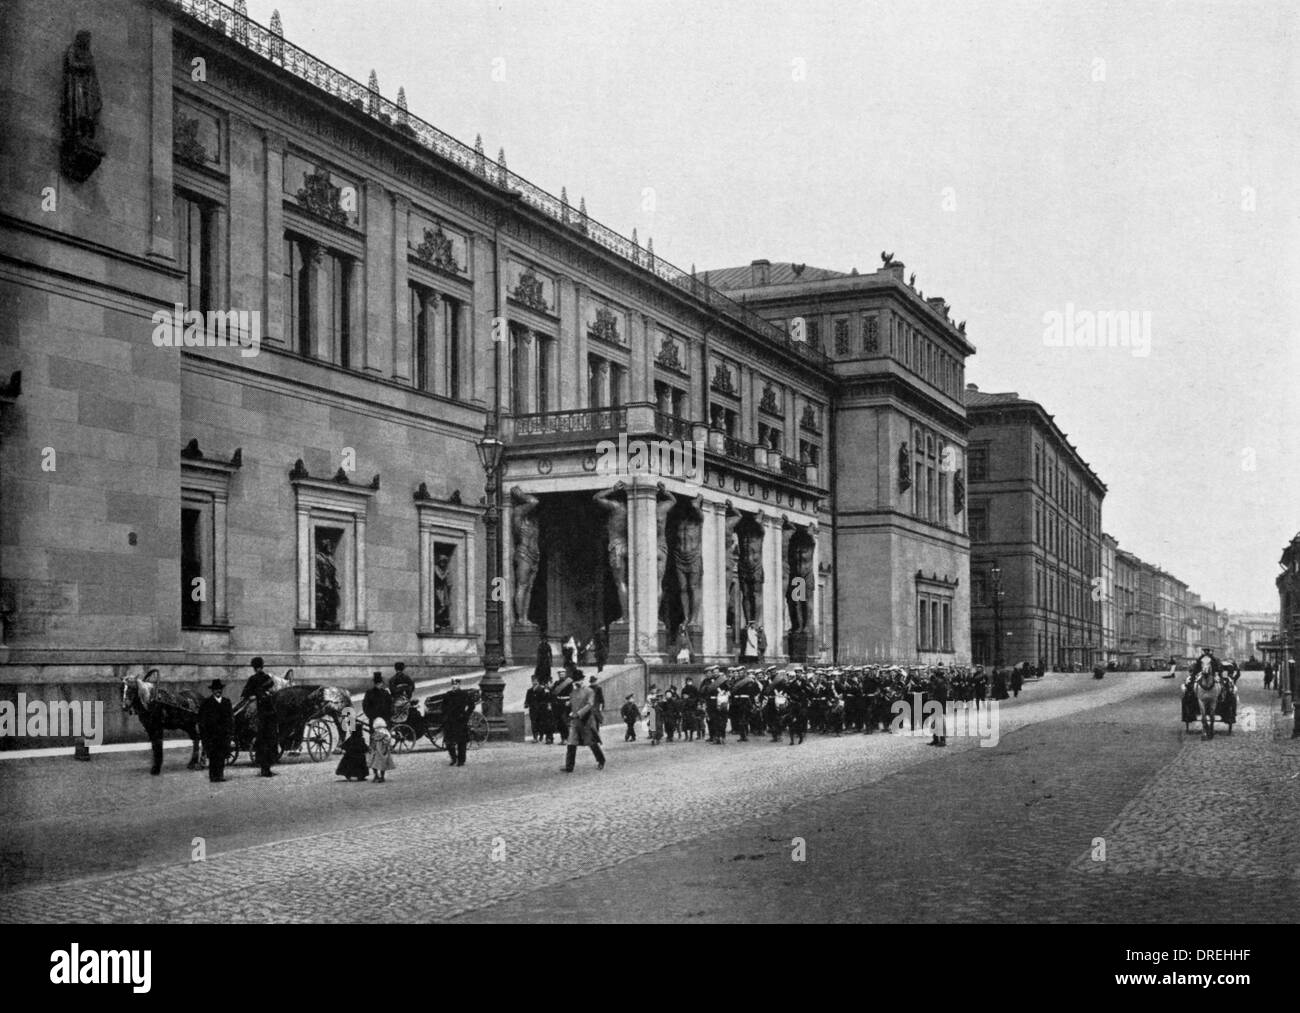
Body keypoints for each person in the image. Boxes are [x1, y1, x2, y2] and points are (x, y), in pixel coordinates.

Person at [561, 670, 606, 772]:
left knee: (591, 742)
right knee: (571, 742)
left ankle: (601, 760)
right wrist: (569, 707)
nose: (577, 683)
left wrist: (579, 713)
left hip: (586, 720)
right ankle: (569, 766)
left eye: (579, 680)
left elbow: (590, 704)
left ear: (582, 680)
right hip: (575, 721)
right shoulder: (572, 692)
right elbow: (572, 704)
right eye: (575, 681)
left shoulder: (589, 691)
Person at [241, 657, 278, 777]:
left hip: (260, 715)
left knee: (262, 742)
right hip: (270, 714)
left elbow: (245, 694)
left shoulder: (252, 679)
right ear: (262, 666)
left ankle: (264, 768)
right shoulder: (268, 678)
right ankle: (267, 768)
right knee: (270, 740)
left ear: (253, 667)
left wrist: (253, 696)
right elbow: (273, 691)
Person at [197, 679, 233, 782]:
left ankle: (220, 775)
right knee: (213, 756)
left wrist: (230, 733)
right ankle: (213, 776)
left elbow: (230, 719)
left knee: (221, 756)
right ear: (212, 691)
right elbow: (202, 720)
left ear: (222, 690)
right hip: (211, 736)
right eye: (216, 689)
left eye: (219, 689)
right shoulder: (207, 703)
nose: (218, 691)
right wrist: (204, 736)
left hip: (223, 735)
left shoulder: (226, 702)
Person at [442, 677, 473, 767]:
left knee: (461, 742)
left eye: (456, 684)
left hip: (460, 720)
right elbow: (443, 707)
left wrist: (466, 715)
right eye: (453, 684)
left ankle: (461, 760)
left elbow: (471, 705)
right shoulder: (448, 695)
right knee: (449, 742)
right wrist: (445, 717)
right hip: (450, 721)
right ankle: (454, 758)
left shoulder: (464, 694)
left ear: (459, 685)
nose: (454, 686)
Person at [367, 717, 395, 782]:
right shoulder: (386, 733)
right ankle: (382, 777)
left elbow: (373, 743)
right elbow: (388, 741)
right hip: (383, 751)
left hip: (376, 751)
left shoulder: (375, 734)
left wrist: (371, 748)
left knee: (373, 763)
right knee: (383, 764)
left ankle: (376, 775)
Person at [525, 677, 545, 743]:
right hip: (532, 709)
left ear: (538, 682)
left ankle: (541, 735)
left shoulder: (541, 690)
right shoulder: (529, 690)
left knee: (540, 723)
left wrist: (541, 706)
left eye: (536, 681)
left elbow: (544, 699)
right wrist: (526, 704)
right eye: (533, 681)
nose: (534, 682)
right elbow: (527, 699)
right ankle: (535, 737)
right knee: (533, 723)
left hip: (540, 709)